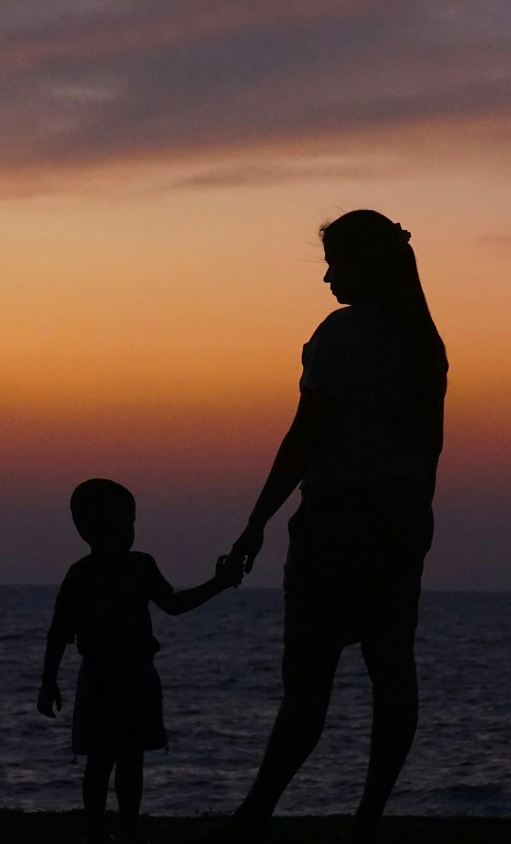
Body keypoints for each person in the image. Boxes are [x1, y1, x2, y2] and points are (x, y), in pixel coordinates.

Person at [204, 210, 448, 843]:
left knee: (308, 680)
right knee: (392, 667)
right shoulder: (423, 343)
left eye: (334, 264)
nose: (328, 279)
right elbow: (431, 446)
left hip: (340, 519)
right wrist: (421, 510)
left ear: (360, 265)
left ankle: (255, 815)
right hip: (400, 516)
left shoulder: (344, 336)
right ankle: (368, 816)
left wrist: (255, 521)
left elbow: (306, 434)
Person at [39, 478, 244, 844]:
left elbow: (59, 633)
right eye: (128, 521)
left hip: (102, 675)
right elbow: (174, 605)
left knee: (101, 760)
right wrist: (219, 583)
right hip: (131, 674)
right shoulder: (136, 567)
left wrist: (48, 681)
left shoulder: (82, 573)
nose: (131, 529)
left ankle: (99, 832)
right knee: (127, 758)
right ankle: (125, 831)